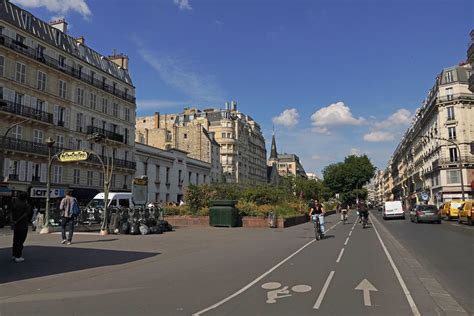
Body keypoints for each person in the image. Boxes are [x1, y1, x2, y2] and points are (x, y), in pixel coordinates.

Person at [10, 192, 33, 263]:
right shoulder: (27, 205)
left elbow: (10, 213)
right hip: (23, 225)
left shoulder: (14, 204)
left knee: (15, 240)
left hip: (16, 225)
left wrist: (12, 222)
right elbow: (25, 215)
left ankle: (14, 255)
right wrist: (17, 221)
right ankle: (18, 256)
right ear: (26, 198)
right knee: (20, 241)